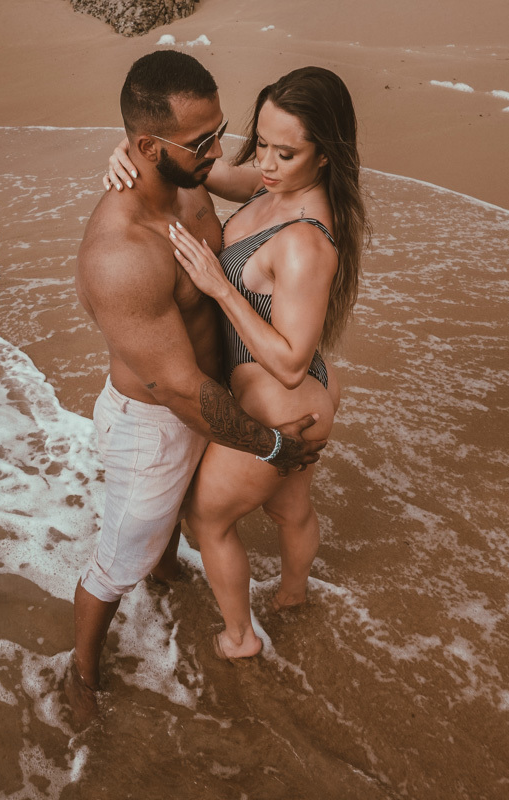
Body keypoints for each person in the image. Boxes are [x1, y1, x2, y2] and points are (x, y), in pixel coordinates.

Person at [70, 51, 327, 722]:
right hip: (153, 424)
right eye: (203, 141)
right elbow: (183, 390)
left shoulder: (188, 178)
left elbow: (267, 188)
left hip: (206, 406)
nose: (220, 153)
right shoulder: (121, 252)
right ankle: (82, 675)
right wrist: (270, 446)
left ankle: (166, 570)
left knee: (179, 522)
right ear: (150, 146)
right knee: (115, 564)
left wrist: (156, 152)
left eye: (219, 131)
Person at [105, 66, 367, 659]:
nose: (266, 163)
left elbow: (294, 362)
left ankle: (240, 638)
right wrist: (126, 150)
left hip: (284, 393)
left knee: (205, 517)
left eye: (285, 152)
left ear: (323, 156)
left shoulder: (305, 241)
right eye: (261, 143)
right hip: (297, 397)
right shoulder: (274, 184)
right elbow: (191, 162)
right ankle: (294, 596)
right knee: (290, 505)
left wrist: (219, 287)